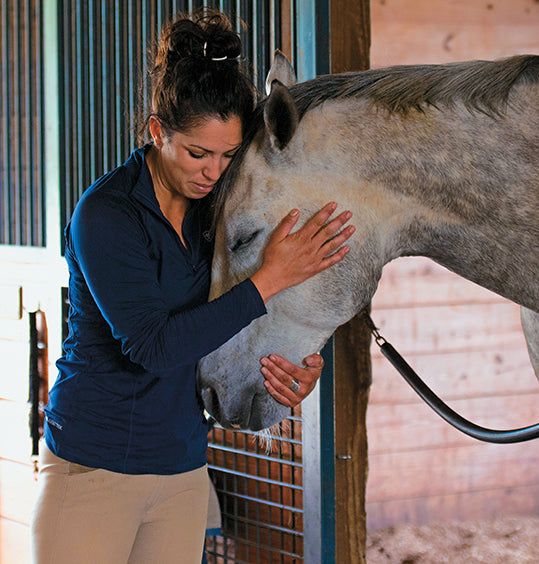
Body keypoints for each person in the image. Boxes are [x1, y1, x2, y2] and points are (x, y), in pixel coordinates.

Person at [30, 9, 354, 564]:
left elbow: (227, 324)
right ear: (158, 131)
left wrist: (293, 367)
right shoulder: (106, 215)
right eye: (198, 153)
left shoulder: (217, 215)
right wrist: (270, 277)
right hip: (92, 471)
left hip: (182, 471)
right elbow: (152, 346)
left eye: (227, 156)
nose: (212, 171)